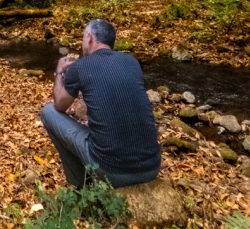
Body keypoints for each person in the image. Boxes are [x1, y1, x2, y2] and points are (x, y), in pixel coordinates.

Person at [40, 18, 161, 188]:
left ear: (89, 37)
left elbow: (59, 105)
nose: (82, 43)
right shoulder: (132, 63)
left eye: (83, 38)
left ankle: (80, 183)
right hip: (152, 167)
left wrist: (59, 72)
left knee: (48, 111)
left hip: (111, 170)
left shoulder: (81, 66)